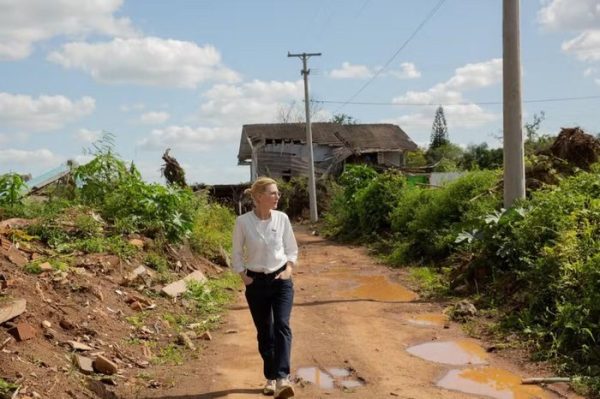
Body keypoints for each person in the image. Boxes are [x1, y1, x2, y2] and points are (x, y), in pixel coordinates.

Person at [232, 177, 298, 398]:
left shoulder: (282, 219)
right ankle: (270, 377)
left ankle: (282, 378)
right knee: (265, 332)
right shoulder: (243, 222)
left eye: (277, 193)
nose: (277, 196)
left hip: (281, 280)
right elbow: (237, 253)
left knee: (282, 325)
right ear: (259, 197)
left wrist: (288, 270)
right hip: (256, 282)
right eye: (273, 193)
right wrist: (244, 277)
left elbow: (291, 248)